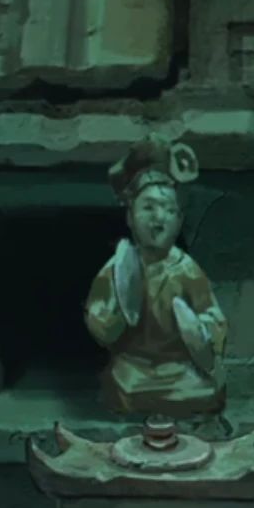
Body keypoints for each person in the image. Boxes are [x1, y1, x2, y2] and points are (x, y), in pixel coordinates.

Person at [85, 135, 227, 418]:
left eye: (169, 210)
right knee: (123, 385)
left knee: (206, 388)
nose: (159, 219)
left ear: (179, 220)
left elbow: (213, 315)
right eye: (148, 207)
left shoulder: (186, 270)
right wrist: (110, 319)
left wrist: (200, 329)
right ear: (130, 216)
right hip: (134, 366)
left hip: (180, 367)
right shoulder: (119, 267)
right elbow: (96, 312)